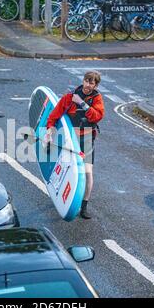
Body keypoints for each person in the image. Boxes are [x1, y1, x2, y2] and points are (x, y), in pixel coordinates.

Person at [45, 71, 105, 219]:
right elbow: (54, 115)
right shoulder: (69, 97)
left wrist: (82, 103)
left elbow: (97, 116)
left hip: (87, 139)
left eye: (92, 83)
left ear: (96, 85)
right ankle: (61, 197)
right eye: (86, 81)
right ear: (83, 81)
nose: (88, 85)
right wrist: (50, 130)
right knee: (65, 169)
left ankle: (84, 206)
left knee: (87, 173)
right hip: (70, 140)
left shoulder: (97, 99)